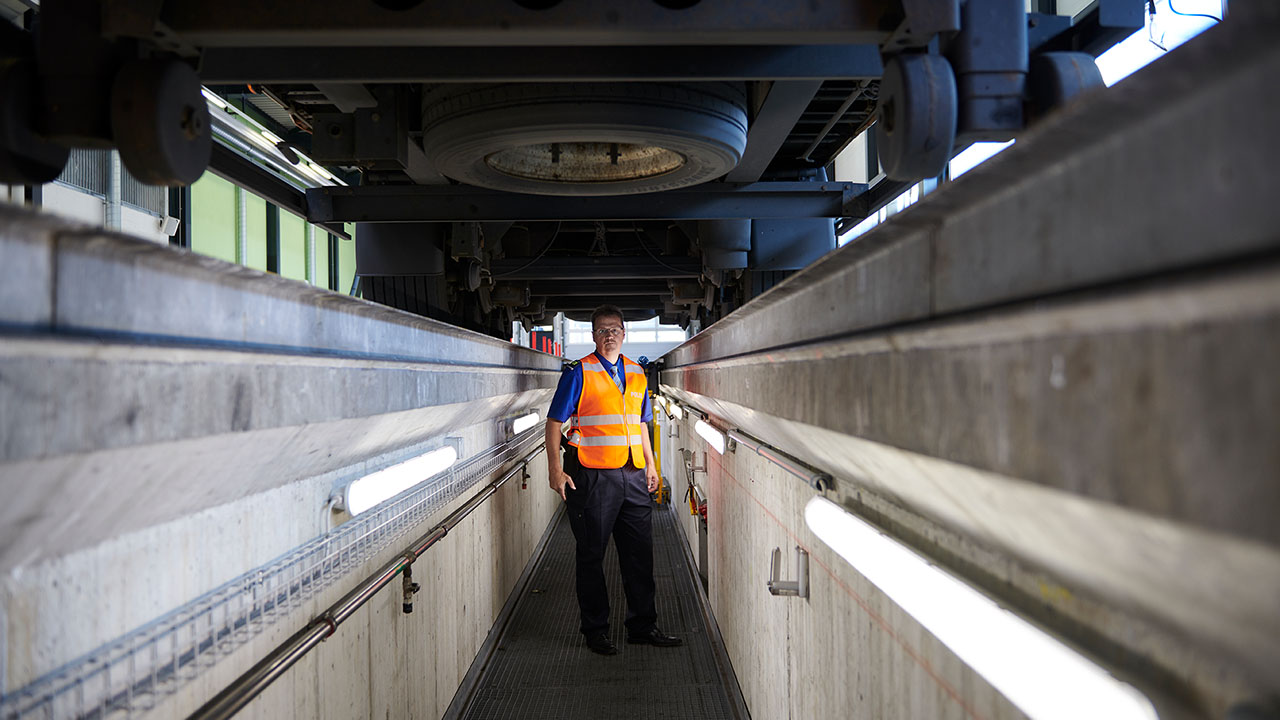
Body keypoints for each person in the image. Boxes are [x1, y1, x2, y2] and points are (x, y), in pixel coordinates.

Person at [544, 304, 683, 655]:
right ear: (593, 336)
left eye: (615, 330)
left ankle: (643, 626)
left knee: (639, 555)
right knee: (592, 555)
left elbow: (641, 424)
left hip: (633, 475)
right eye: (603, 330)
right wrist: (555, 470)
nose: (610, 335)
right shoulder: (579, 373)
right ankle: (596, 631)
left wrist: (651, 466)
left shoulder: (636, 372)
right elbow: (554, 423)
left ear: (624, 333)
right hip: (592, 476)